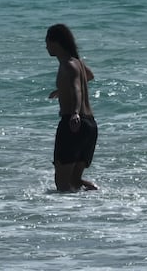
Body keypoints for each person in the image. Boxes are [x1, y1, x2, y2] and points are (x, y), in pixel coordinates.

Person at [45, 24, 99, 192]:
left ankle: (67, 216)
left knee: (62, 184)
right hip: (89, 126)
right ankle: (98, 199)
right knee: (74, 181)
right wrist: (62, 89)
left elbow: (76, 88)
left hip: (73, 124)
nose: (46, 47)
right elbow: (89, 76)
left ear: (56, 43)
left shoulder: (68, 64)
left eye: (47, 42)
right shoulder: (78, 63)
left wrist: (75, 112)